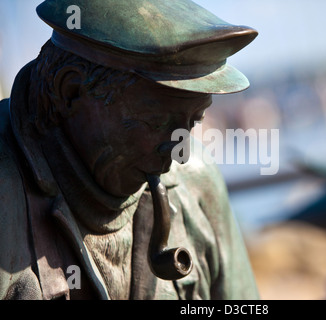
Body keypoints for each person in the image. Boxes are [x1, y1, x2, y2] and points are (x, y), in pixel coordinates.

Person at [0, 0, 259, 300]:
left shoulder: (195, 181)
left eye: (194, 120)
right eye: (156, 122)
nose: (181, 153)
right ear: (70, 91)